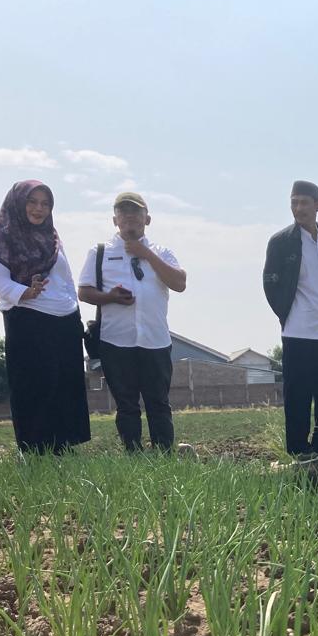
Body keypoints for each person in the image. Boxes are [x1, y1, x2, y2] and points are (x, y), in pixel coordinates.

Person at [0, 181, 90, 453]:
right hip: (28, 319)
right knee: (34, 386)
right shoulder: (1, 239)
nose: (38, 209)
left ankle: (63, 447)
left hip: (64, 320)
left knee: (64, 386)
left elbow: (66, 280)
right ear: (18, 204)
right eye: (32, 202)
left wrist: (74, 311)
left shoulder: (52, 238)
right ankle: (34, 451)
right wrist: (26, 293)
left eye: (45, 204)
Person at [78, 192, 185, 451]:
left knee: (158, 403)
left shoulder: (162, 252)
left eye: (135, 212)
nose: (129, 217)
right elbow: (84, 291)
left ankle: (164, 454)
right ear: (114, 219)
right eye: (123, 212)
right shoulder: (100, 252)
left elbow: (179, 283)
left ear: (147, 219)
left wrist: (144, 253)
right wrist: (110, 297)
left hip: (155, 340)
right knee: (126, 405)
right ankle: (133, 455)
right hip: (116, 341)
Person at [262, 180, 318, 461]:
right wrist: (286, 313)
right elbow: (270, 284)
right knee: (298, 391)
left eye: (304, 203)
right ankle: (299, 447)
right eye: (294, 202)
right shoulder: (282, 241)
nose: (298, 208)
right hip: (298, 328)